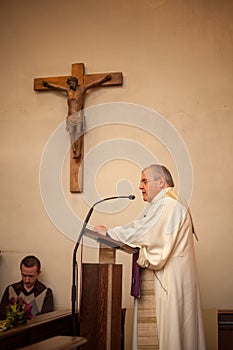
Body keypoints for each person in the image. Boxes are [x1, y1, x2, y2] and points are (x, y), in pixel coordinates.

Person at [94, 164, 206, 350]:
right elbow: (143, 227)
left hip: (168, 284)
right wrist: (112, 233)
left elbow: (145, 233)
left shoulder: (169, 203)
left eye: (144, 181)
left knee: (169, 337)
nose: (140, 186)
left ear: (161, 182)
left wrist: (110, 233)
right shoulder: (165, 203)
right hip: (171, 282)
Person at [43, 74, 111, 158]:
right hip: (71, 116)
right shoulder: (68, 91)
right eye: (70, 83)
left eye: (73, 82)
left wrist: (104, 79)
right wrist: (48, 85)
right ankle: (74, 150)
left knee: (78, 133)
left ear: (76, 82)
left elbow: (93, 84)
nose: (72, 84)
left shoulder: (82, 89)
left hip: (78, 115)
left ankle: (78, 151)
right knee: (72, 133)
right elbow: (58, 87)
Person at [0, 255, 54, 320]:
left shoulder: (46, 292)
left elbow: (47, 320)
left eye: (31, 276)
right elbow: (1, 316)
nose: (27, 280)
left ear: (38, 273)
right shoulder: (11, 289)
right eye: (24, 275)